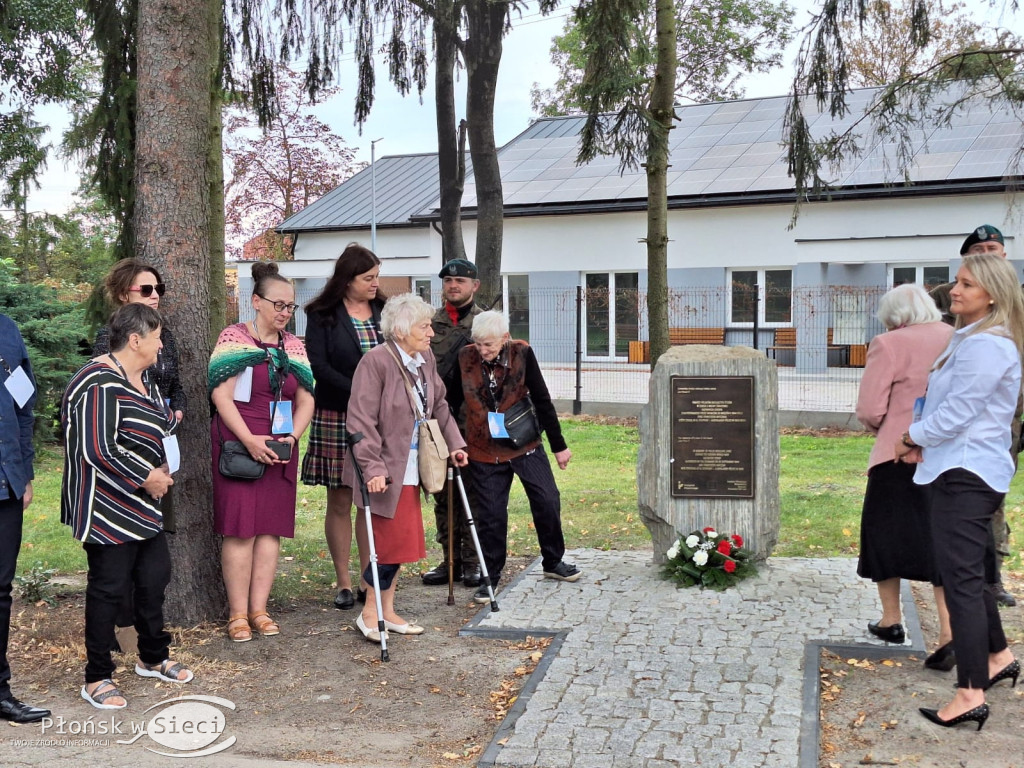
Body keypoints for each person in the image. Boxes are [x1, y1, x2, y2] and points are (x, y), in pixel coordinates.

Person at [896, 252, 1022, 731]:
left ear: (990, 294)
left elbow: (957, 415)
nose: (955, 290)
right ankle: (997, 656)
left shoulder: (987, 345)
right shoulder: (971, 337)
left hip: (966, 474)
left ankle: (970, 692)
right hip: (960, 469)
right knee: (970, 575)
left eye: (967, 284)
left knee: (962, 584)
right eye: (957, 282)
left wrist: (912, 437)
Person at [62, 304, 189, 710]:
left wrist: (164, 460)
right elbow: (96, 448)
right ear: (136, 340)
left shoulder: (144, 379)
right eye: (157, 337)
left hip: (142, 505)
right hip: (104, 506)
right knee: (109, 590)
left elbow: (157, 422)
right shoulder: (98, 382)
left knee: (154, 581)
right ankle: (97, 677)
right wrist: (147, 475)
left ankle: (153, 658)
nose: (161, 344)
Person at [344, 293, 468, 643]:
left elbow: (439, 404)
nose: (431, 332)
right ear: (400, 330)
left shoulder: (423, 357)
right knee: (385, 543)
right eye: (424, 326)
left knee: (398, 545)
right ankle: (370, 614)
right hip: (385, 469)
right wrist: (372, 468)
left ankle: (388, 610)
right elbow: (361, 420)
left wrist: (455, 445)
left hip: (413, 465)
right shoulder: (376, 362)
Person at [209, 262, 314, 642]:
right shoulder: (234, 338)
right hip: (239, 446)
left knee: (270, 530)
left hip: (280, 447)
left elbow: (306, 399)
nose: (285, 312)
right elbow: (220, 395)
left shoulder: (295, 346)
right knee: (240, 531)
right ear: (256, 301)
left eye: (291, 307)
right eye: (279, 304)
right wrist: (251, 440)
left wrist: (293, 436)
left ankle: (260, 609)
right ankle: (237, 614)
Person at [449, 311, 581, 605]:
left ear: (505, 339)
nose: (483, 351)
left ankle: (553, 561)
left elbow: (543, 399)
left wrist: (559, 446)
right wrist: (452, 442)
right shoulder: (464, 358)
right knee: (491, 515)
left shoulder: (522, 353)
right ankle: (490, 575)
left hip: (524, 442)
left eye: (489, 345)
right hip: (483, 448)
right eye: (479, 344)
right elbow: (449, 400)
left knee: (547, 498)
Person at [854, 284, 954, 663]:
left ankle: (891, 619)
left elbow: (869, 408)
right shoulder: (955, 337)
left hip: (897, 453)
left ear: (892, 316)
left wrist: (883, 425)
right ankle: (948, 633)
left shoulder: (888, 343)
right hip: (945, 455)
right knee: (941, 539)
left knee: (884, 534)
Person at [93, 257, 187, 653]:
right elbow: (113, 404)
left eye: (158, 290)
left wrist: (175, 411)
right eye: (145, 290)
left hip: (163, 446)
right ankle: (123, 628)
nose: (154, 297)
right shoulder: (109, 340)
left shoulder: (166, 337)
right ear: (121, 294)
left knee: (153, 550)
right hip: (126, 458)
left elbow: (176, 385)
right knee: (121, 554)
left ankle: (149, 635)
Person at [930, 224, 1017, 608]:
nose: (988, 252)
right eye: (978, 248)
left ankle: (991, 577)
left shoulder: (1014, 301)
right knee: (971, 508)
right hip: (959, 426)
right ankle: (986, 584)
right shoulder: (946, 298)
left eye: (993, 247)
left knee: (987, 502)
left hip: (1002, 418)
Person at [301, 244, 384, 610]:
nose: (374, 284)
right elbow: (318, 366)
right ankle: (344, 581)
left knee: (370, 498)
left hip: (378, 418)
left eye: (376, 277)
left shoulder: (384, 310)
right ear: (346, 280)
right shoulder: (321, 314)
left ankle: (370, 579)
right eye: (368, 278)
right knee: (340, 499)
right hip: (337, 413)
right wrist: (362, 391)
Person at [0, 314, 50, 723]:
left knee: (0, 592)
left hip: (6, 483)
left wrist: (24, 471)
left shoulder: (7, 329)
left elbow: (22, 404)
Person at [422, 258, 484, 589]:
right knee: (443, 491)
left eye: (460, 280)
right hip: (438, 418)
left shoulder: (485, 322)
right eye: (448, 280)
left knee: (471, 490)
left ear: (475, 286)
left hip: (474, 419)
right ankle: (450, 561)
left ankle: (474, 559)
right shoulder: (429, 323)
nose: (453, 285)